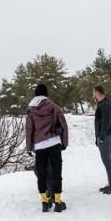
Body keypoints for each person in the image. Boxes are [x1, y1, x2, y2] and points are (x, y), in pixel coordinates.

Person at [25, 83, 69, 212]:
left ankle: (45, 202)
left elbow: (29, 129)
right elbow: (63, 124)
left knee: (41, 173)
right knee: (56, 172)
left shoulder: (31, 110)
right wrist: (64, 142)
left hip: (39, 145)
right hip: (54, 142)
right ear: (46, 94)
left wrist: (29, 147)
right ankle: (58, 202)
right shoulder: (53, 106)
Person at [92, 86, 111, 194]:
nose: (93, 94)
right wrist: (97, 137)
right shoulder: (102, 103)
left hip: (106, 136)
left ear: (98, 92)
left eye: (93, 92)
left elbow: (107, 121)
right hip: (104, 136)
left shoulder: (105, 104)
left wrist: (101, 136)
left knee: (107, 160)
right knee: (106, 160)